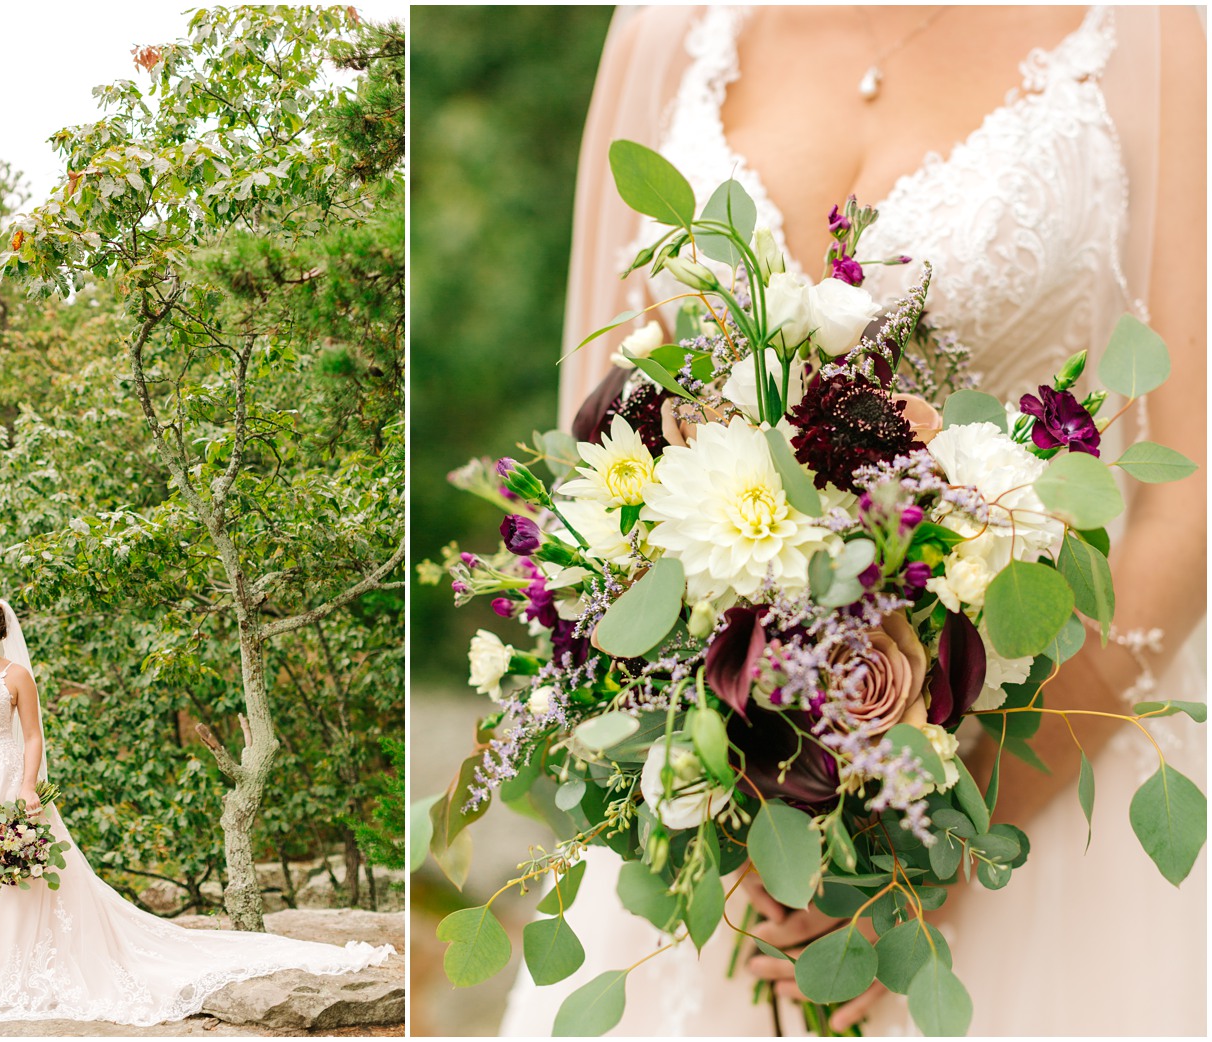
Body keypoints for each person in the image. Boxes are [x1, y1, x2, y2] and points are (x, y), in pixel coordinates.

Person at [501, 6, 1206, 1036]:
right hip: (734, 838)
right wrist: (711, 802)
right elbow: (600, 458)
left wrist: (926, 858)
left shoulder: (1153, 32)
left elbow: (1193, 491)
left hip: (1044, 766)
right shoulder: (666, 29)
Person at [0, 596, 391, 1026]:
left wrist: (27, 787)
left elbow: (32, 736)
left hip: (5, 782)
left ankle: (9, 965)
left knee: (15, 874)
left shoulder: (16, 675)